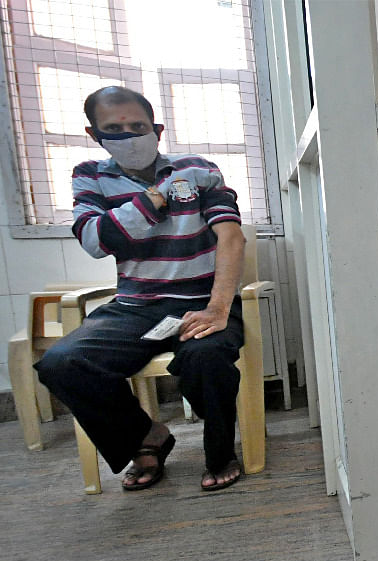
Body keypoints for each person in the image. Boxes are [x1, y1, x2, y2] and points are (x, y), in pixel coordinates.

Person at [36, 86, 248, 492]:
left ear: (158, 129)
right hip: (134, 305)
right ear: (94, 134)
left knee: (208, 356)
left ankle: (220, 451)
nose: (128, 136)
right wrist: (154, 199)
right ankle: (146, 438)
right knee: (61, 363)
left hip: (201, 300)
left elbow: (231, 237)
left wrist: (219, 308)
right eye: (113, 129)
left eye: (137, 126)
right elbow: (96, 240)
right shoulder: (90, 176)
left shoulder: (198, 169)